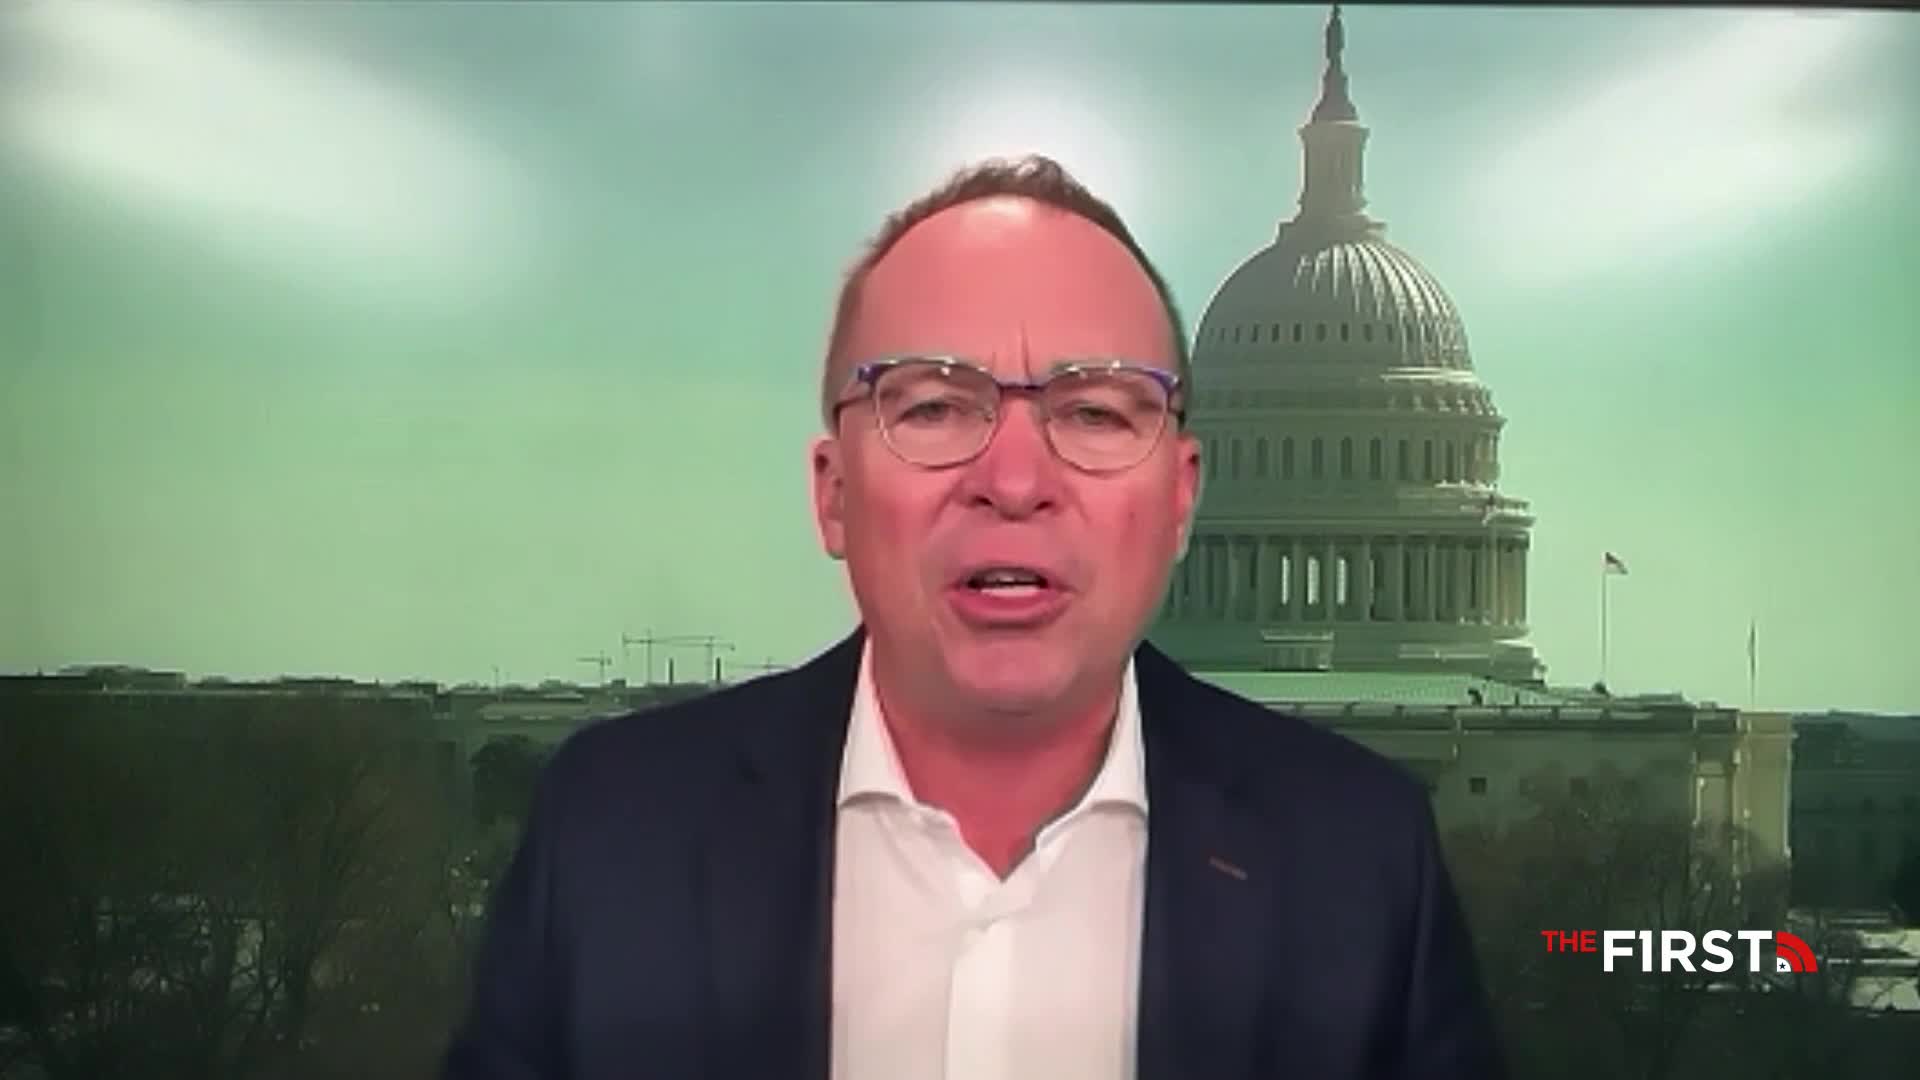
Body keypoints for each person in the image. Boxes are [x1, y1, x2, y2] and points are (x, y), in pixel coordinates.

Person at [441, 155, 1505, 1080]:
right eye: (935, 407)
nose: (1013, 480)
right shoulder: (613, 842)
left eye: (1092, 412)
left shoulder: (1362, 865)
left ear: (1184, 497)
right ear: (833, 493)